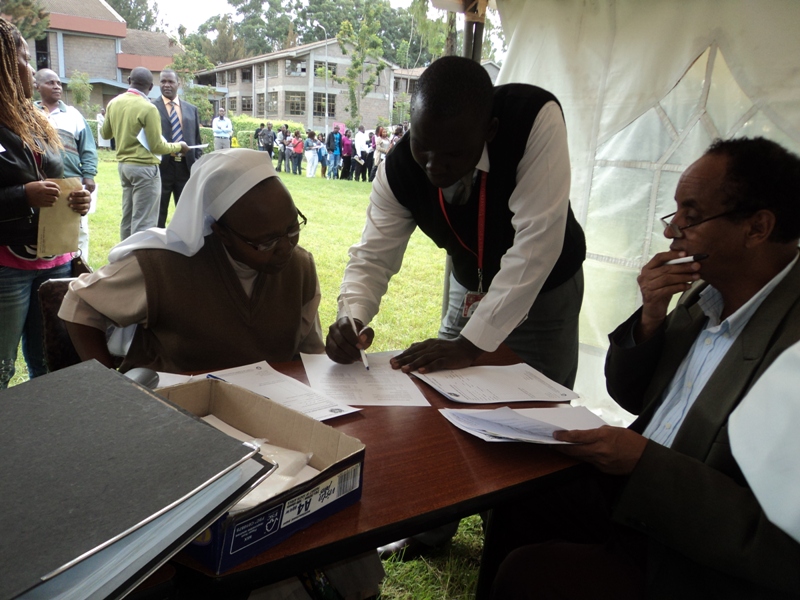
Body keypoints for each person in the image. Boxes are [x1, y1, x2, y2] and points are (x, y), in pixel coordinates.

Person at [485, 137, 800, 600]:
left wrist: (645, 462)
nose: (673, 233)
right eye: (675, 215)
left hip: (699, 550)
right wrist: (651, 316)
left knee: (529, 574)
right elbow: (632, 396)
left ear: (757, 227)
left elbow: (776, 538)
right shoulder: (705, 291)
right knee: (519, 498)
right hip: (640, 489)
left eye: (691, 217)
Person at [326, 56, 585, 387]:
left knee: (538, 399)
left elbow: (537, 244)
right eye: (423, 147)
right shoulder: (398, 169)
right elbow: (373, 257)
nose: (435, 166)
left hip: (545, 290)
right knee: (443, 387)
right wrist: (352, 316)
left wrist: (468, 345)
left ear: (488, 130)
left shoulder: (533, 119)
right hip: (470, 285)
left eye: (454, 154)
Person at [59, 149, 324, 373]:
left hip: (268, 412)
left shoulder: (299, 268)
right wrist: (107, 381)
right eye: (265, 242)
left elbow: (311, 353)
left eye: (292, 228)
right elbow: (80, 303)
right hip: (174, 412)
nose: (285, 248)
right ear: (222, 233)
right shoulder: (163, 266)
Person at [0, 18, 90, 388]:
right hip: (8, 265)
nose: (31, 67)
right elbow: (27, 188)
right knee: (2, 364)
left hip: (54, 260)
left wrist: (77, 199)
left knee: (49, 359)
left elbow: (56, 174)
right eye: (22, 56)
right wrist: (24, 196)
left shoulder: (35, 120)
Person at [102, 67, 189, 240]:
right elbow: (157, 146)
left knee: (127, 217)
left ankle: (123, 257)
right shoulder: (148, 108)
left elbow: (105, 134)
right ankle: (137, 262)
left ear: (129, 81)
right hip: (145, 168)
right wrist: (178, 146)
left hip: (124, 167)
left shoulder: (114, 102)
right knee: (143, 222)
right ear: (150, 87)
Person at [34, 68, 98, 259]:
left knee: (77, 227)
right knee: (42, 226)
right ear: (37, 87)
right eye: (50, 82)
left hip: (70, 182)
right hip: (39, 181)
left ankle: (79, 268)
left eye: (59, 83)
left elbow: (88, 147)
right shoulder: (28, 113)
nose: (56, 86)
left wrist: (89, 175)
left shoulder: (73, 115)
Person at [152, 69, 202, 228]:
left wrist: (197, 165)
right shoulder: (151, 107)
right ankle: (157, 245)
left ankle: (183, 247)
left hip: (185, 168)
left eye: (170, 81)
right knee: (159, 211)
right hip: (162, 167)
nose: (166, 85)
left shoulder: (191, 109)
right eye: (163, 81)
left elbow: (196, 138)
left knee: (186, 212)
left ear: (178, 84)